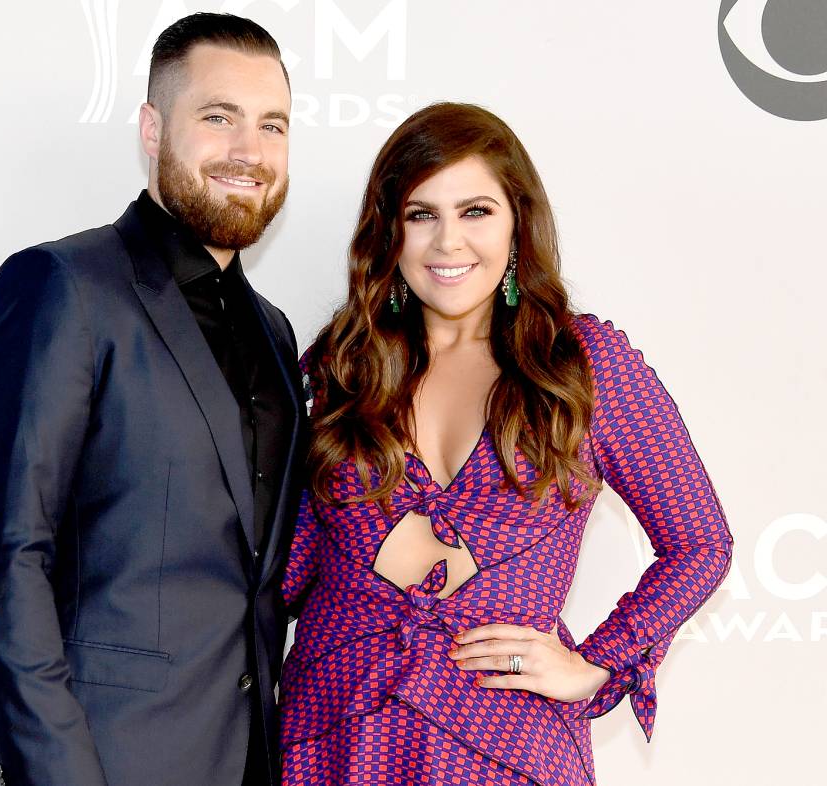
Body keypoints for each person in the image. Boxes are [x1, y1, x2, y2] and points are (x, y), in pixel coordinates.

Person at [280, 102, 733, 785]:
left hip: (506, 748)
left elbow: (700, 544)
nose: (447, 243)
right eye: (420, 213)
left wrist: (597, 664)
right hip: (335, 735)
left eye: (476, 212)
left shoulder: (583, 365)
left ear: (518, 220)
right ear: (389, 232)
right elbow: (286, 570)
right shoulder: (343, 367)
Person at [0, 13, 304, 786]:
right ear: (152, 128)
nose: (249, 150)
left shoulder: (277, 336)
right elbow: (3, 560)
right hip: (104, 762)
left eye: (272, 125)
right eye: (219, 118)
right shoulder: (63, 288)